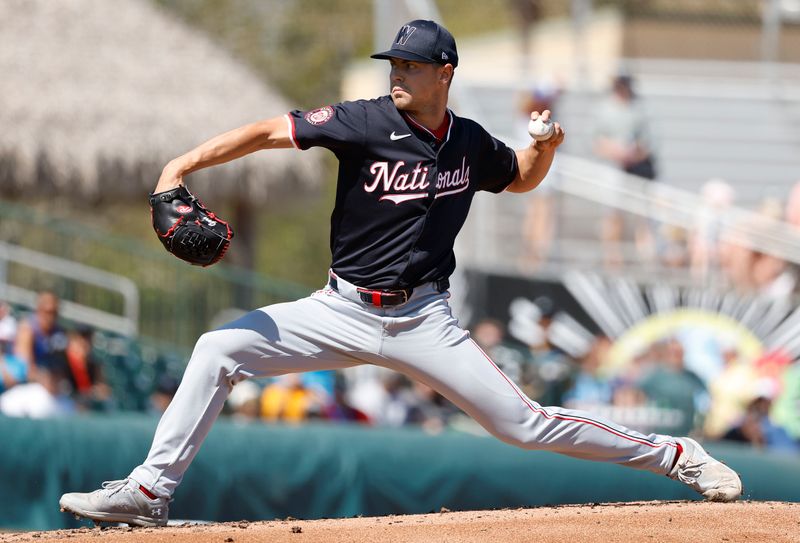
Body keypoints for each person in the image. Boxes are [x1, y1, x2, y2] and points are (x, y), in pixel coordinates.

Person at [59, 20, 741, 527]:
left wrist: (546, 149)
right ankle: (149, 491)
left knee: (523, 423)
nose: (398, 74)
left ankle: (676, 453)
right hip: (340, 307)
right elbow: (271, 131)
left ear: (444, 72)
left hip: (423, 318)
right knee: (217, 348)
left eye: (411, 66)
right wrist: (182, 165)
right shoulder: (363, 123)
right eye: (395, 63)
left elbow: (521, 181)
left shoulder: (469, 141)